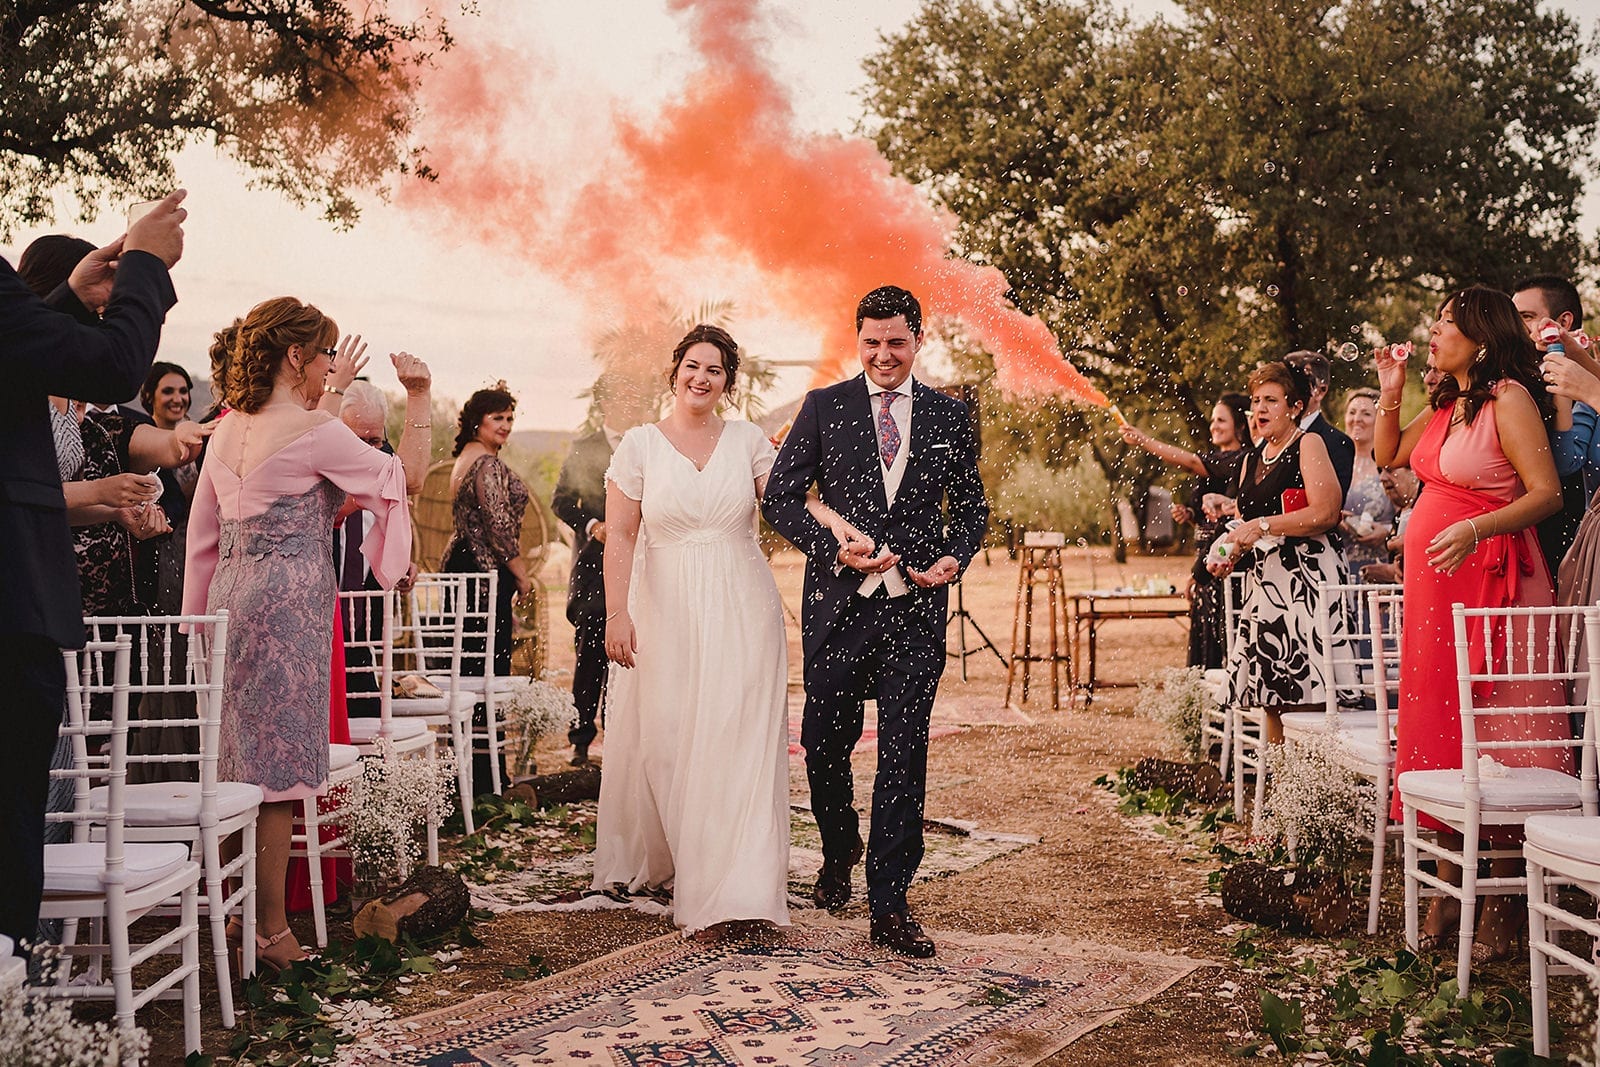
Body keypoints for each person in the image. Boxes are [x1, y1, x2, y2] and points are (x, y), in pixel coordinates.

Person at [183, 296, 413, 969]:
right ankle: (272, 929)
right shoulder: (315, 428)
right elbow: (397, 478)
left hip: (229, 600)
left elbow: (202, 535)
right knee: (279, 775)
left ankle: (236, 920)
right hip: (289, 605)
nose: (327, 371)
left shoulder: (226, 428)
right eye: (324, 358)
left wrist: (199, 624)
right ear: (295, 357)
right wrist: (419, 402)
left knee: (235, 768)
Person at [762, 286, 989, 958]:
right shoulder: (824, 407)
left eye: (896, 342)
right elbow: (780, 495)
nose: (883, 355)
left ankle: (889, 902)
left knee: (902, 755)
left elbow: (972, 506)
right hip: (838, 607)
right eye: (871, 342)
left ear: (918, 340)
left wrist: (953, 554)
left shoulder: (951, 414)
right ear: (856, 341)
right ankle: (839, 847)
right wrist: (832, 546)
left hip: (916, 612)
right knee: (824, 745)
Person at [0, 189, 186, 952]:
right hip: (12, 601)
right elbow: (113, 367)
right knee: (13, 826)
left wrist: (70, 298)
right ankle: (14, 997)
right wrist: (148, 263)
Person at [1374, 284, 1569, 961]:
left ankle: (1506, 906)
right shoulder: (1449, 403)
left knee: (1505, 736)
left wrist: (1472, 526)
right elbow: (1388, 454)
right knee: (1450, 734)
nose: (1433, 330)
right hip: (1438, 594)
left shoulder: (1509, 399)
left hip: (1498, 586)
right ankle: (1448, 888)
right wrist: (1393, 383)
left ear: (1481, 334)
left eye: (1446, 321)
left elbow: (1547, 494)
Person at [592, 324, 790, 935]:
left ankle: (741, 884)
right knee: (672, 738)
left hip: (744, 603)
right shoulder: (639, 446)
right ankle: (686, 856)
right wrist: (618, 613)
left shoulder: (749, 440)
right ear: (675, 369)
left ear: (728, 382)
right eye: (693, 366)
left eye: (715, 370)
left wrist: (834, 522)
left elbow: (785, 510)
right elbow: (621, 534)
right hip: (666, 607)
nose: (701, 378)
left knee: (738, 733)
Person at [1207, 361, 1352, 744]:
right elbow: (1243, 523)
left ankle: (1314, 785)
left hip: (1308, 580)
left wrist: (1263, 526)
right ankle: (1278, 792)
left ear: (1295, 406)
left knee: (1312, 691)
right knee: (1271, 694)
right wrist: (1228, 552)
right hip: (1266, 584)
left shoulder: (1309, 443)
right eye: (1255, 400)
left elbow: (1325, 512)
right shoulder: (1252, 459)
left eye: (1271, 400)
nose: (1260, 409)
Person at [552, 372, 652, 766]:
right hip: (594, 569)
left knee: (634, 653)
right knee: (591, 653)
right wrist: (594, 527)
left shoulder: (648, 443)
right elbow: (560, 501)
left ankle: (621, 738)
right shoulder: (583, 448)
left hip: (643, 566)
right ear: (604, 403)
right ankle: (580, 741)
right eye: (623, 398)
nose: (631, 405)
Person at [442, 383, 529, 794]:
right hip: (483, 570)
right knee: (487, 673)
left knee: (468, 672)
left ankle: (471, 778)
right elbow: (498, 524)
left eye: (510, 418)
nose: (506, 426)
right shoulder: (488, 465)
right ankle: (487, 783)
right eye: (498, 418)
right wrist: (522, 571)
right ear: (477, 421)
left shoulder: (466, 458)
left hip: (461, 569)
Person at [1118, 392, 1248, 668]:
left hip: (1224, 559)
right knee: (1205, 637)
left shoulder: (1241, 460)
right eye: (1212, 420)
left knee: (1223, 636)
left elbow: (1188, 462)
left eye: (1221, 420)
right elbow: (1206, 517)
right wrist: (1188, 515)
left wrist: (1143, 440)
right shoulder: (1215, 459)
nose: (1214, 425)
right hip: (1203, 556)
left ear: (1239, 425)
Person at [1514, 275, 1590, 574]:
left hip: (1567, 536)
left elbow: (1567, 464)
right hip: (1515, 533)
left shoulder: (1585, 383)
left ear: (1564, 321)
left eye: (1528, 317)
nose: (1518, 327)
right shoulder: (1511, 380)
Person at [1340, 388, 1397, 583]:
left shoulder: (1391, 464)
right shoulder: (1333, 462)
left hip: (1379, 566)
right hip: (1340, 565)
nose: (1357, 419)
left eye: (1366, 414)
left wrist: (1388, 531)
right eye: (1352, 412)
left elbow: (1409, 513)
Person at [1285, 350, 1356, 497]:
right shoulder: (1270, 438)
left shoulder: (1337, 443)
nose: (1289, 389)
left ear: (1321, 390)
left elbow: (1333, 503)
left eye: (1299, 382)